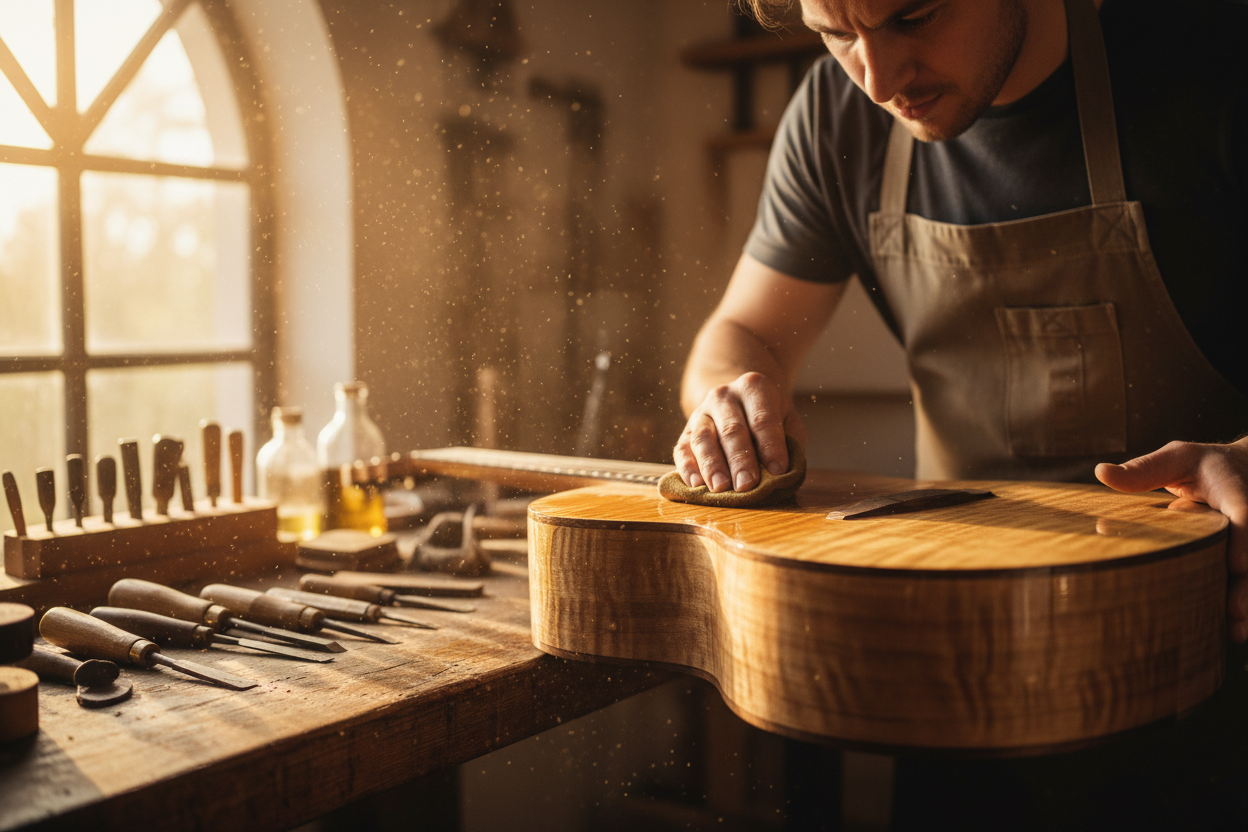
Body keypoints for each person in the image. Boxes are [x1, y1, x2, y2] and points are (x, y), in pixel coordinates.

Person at [675, 0, 1247, 827]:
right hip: (959, 680)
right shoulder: (838, 118)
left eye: (913, 15)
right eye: (836, 34)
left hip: (1210, 673)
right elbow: (743, 331)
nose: (877, 78)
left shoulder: (1209, 61)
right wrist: (730, 394)